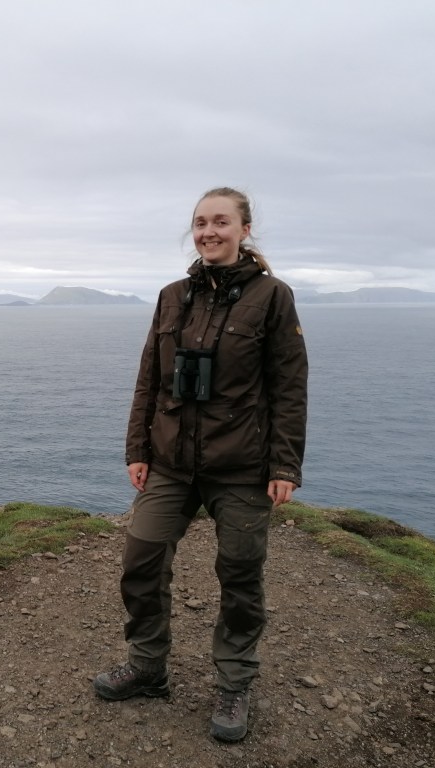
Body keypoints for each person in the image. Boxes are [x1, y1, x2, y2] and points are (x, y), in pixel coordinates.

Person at [92, 187, 308, 743]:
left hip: (241, 466)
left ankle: (234, 683)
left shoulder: (272, 296)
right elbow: (149, 378)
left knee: (239, 573)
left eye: (220, 222)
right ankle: (146, 667)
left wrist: (284, 464)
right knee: (141, 555)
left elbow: (289, 387)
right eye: (200, 223)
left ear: (244, 230)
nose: (209, 231)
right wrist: (137, 450)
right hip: (170, 461)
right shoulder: (171, 297)